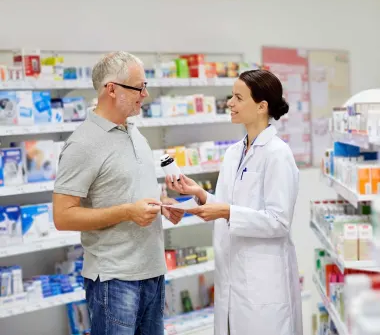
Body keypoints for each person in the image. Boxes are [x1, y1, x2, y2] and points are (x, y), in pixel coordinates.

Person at [53, 51, 183, 335]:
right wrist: (127, 213)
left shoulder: (134, 132)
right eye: (139, 87)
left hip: (152, 272)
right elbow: (62, 216)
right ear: (111, 89)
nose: (145, 94)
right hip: (114, 279)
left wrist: (163, 205)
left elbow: (127, 191)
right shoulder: (83, 144)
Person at [165, 69, 302, 335]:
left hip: (262, 283)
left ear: (261, 106)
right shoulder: (233, 152)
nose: (230, 103)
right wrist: (201, 195)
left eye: (238, 97)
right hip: (232, 278)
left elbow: (278, 221)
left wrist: (226, 211)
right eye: (232, 96)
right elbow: (231, 205)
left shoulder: (278, 154)